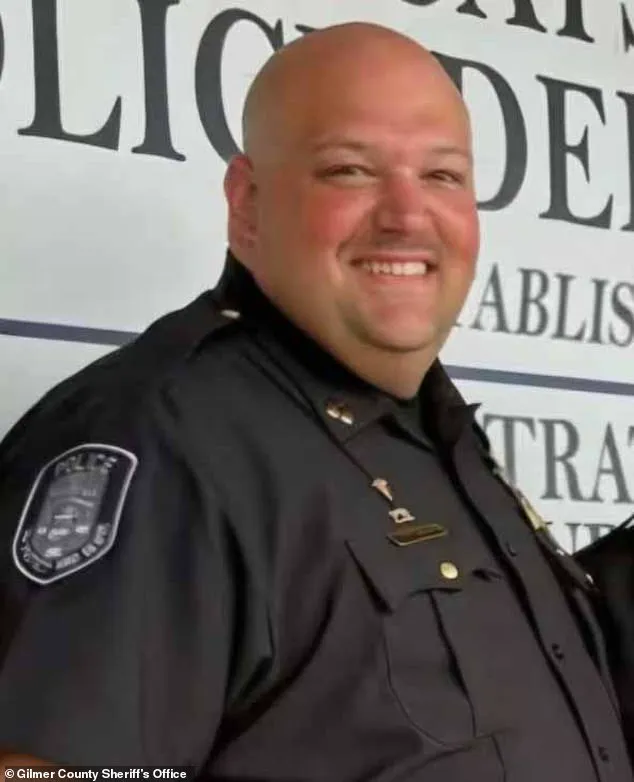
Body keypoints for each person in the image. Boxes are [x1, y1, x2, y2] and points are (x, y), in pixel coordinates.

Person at [0, 21, 630, 781]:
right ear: (248, 203)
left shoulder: (436, 437)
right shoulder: (166, 441)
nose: (407, 215)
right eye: (349, 171)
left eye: (442, 175)